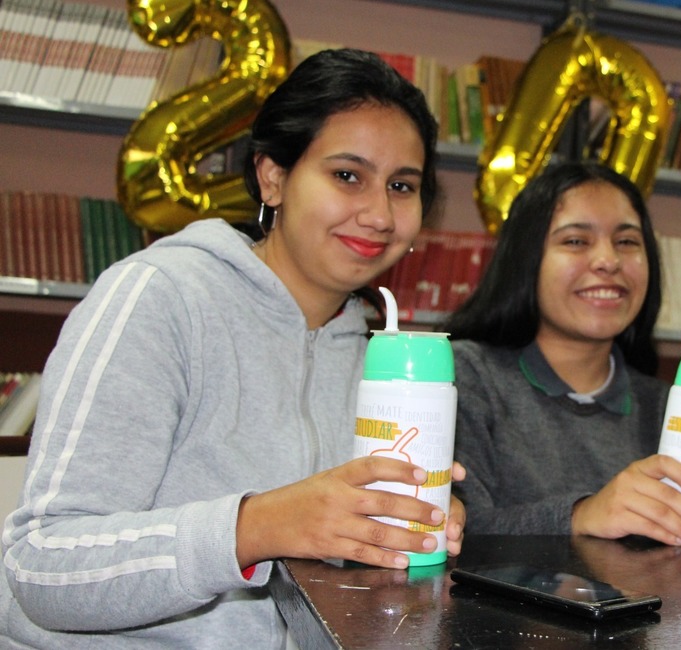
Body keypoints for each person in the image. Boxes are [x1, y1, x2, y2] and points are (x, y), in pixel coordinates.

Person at [0, 49, 464, 647]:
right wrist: (252, 527)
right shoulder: (158, 299)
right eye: (347, 175)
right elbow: (41, 566)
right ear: (273, 176)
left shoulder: (382, 359)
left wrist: (409, 529)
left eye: (402, 185)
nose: (379, 213)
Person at [445, 161, 681, 548]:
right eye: (576, 241)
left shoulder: (670, 405)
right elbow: (459, 530)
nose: (608, 261)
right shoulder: (466, 375)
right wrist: (582, 515)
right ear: (526, 259)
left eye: (627, 242)